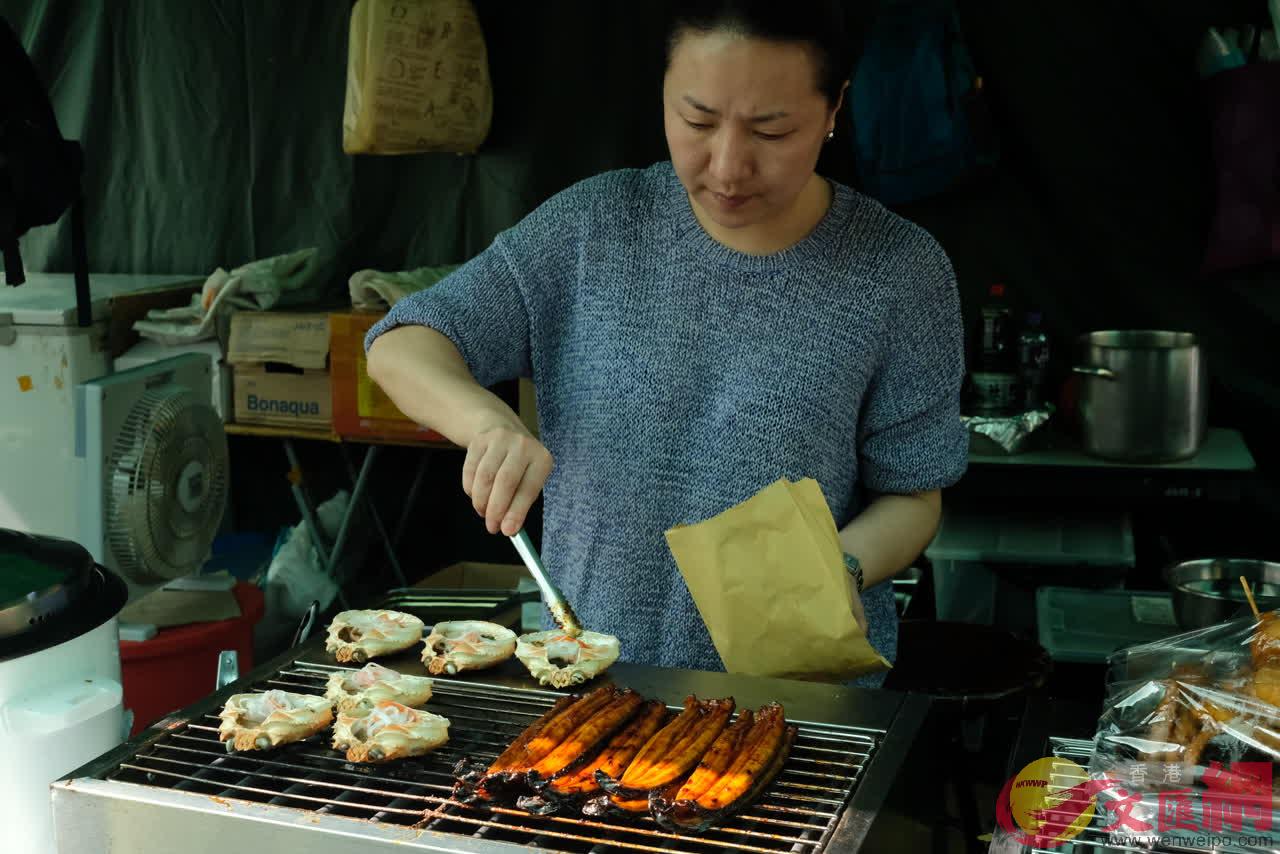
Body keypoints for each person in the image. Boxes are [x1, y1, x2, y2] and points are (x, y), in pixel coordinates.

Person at [365, 0, 968, 689]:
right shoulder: (594, 227)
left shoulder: (899, 270)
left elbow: (914, 496)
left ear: (835, 110)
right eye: (697, 121)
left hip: (792, 692)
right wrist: (486, 424)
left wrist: (843, 566)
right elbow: (402, 341)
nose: (728, 166)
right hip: (588, 675)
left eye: (772, 130)